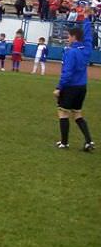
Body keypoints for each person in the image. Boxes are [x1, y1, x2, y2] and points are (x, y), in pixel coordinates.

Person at [54, 13, 94, 151]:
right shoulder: (87, 49)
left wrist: (59, 87)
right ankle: (89, 141)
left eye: (69, 36)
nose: (67, 38)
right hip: (82, 87)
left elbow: (67, 73)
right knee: (77, 114)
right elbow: (88, 35)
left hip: (71, 87)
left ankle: (64, 143)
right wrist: (88, 19)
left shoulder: (72, 52)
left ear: (74, 37)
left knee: (63, 112)